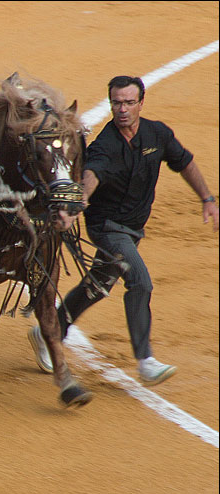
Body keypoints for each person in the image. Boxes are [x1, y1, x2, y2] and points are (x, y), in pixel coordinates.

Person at [29, 75, 219, 386]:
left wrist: (207, 199)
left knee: (100, 282)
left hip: (133, 228)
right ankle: (145, 360)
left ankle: (50, 330)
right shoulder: (105, 144)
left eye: (129, 102)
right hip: (106, 227)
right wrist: (77, 206)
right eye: (116, 103)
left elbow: (183, 161)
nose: (122, 109)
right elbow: (90, 178)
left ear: (141, 104)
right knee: (139, 282)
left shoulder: (156, 134)